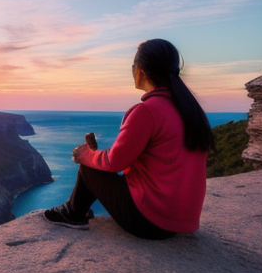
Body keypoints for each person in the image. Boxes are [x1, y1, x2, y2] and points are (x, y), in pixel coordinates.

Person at [44, 39, 215, 240]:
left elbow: (115, 162)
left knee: (89, 167)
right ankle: (75, 209)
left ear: (140, 70)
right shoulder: (188, 110)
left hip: (149, 221)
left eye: (133, 66)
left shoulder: (147, 111)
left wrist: (86, 156)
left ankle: (73, 214)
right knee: (95, 162)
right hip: (179, 222)